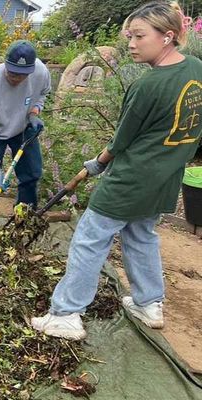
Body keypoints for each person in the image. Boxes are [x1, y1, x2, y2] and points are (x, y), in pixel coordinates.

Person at [31, 1, 202, 340]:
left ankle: (66, 313)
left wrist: (98, 162)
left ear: (168, 36)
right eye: (129, 36)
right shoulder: (196, 69)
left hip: (130, 178)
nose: (131, 44)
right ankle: (149, 303)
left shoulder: (147, 86)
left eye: (139, 36)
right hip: (165, 177)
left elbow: (122, 139)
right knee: (141, 236)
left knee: (89, 240)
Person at [0, 40, 51, 218]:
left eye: (21, 75)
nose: (15, 78)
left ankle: (23, 218)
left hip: (23, 128)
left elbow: (43, 93)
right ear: (5, 64)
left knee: (32, 174)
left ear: (30, 71)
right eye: (12, 72)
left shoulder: (40, 71)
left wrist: (35, 111)